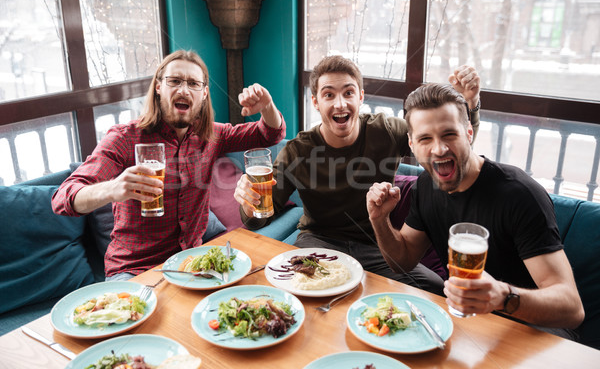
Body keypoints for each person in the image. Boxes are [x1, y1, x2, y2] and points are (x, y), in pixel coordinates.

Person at [234, 55, 481, 294]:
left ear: (360, 97)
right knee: (291, 291)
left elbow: (449, 151)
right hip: (317, 244)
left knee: (435, 289)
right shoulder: (297, 151)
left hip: (375, 246)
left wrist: (470, 104)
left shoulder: (387, 130)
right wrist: (248, 201)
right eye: (329, 94)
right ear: (316, 102)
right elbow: (258, 220)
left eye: (348, 92)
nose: (340, 103)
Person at [366, 83, 584, 336]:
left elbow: (572, 308)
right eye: (425, 138)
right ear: (412, 145)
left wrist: (503, 297)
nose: (438, 149)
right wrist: (380, 219)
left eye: (449, 134)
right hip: (468, 324)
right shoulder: (426, 185)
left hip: (535, 330)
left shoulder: (519, 194)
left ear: (469, 132)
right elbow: (402, 260)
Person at [52, 50, 285, 280]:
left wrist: (267, 106)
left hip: (192, 264)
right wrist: (113, 189)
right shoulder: (124, 138)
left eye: (193, 83)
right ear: (158, 87)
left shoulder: (212, 135)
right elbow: (63, 198)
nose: (183, 89)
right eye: (174, 81)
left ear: (204, 93)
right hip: (134, 270)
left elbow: (270, 134)